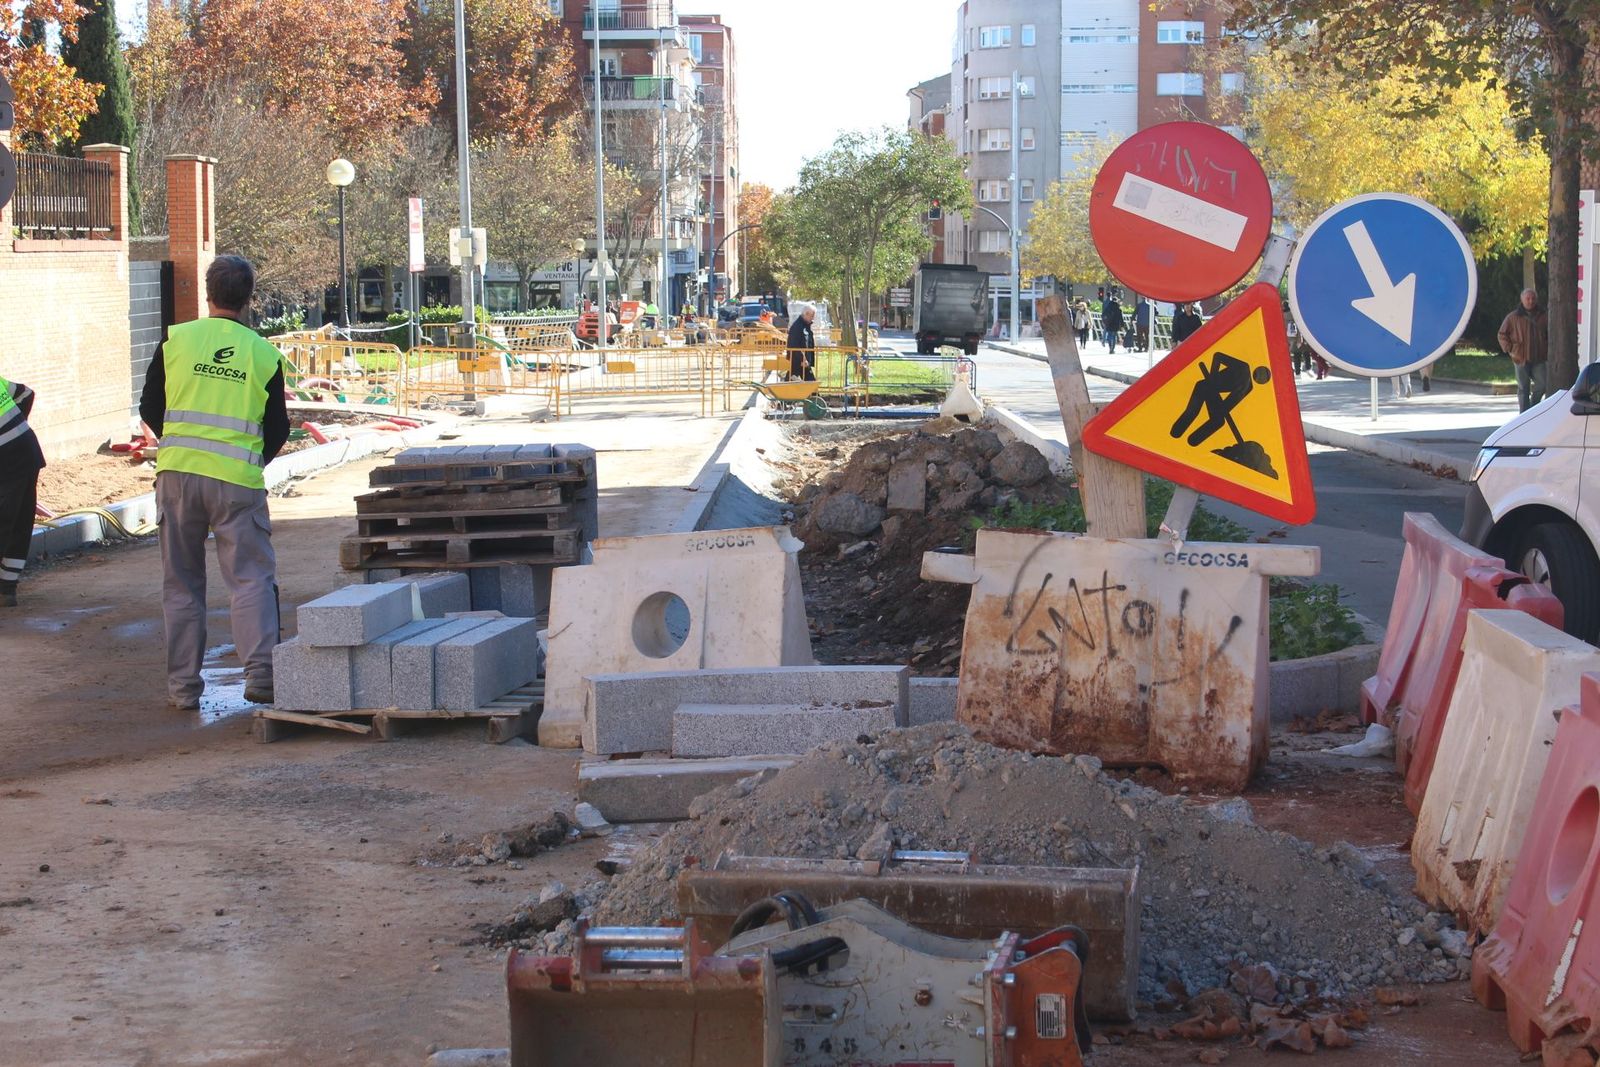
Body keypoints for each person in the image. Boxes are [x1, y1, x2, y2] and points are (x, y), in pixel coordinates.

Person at [139, 255, 289, 710]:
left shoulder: (176, 341)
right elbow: (278, 427)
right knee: (250, 579)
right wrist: (250, 459)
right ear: (249, 299)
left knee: (182, 584)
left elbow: (149, 406)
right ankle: (260, 673)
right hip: (236, 483)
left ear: (207, 294)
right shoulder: (263, 354)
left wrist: (179, 444)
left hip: (177, 477)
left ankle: (183, 689)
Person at [0, 374, 44, 608]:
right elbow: (26, 394)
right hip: (27, 450)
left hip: (9, 461)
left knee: (5, 522)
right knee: (18, 523)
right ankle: (6, 590)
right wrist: (15, 430)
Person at [1499, 287, 1549, 412]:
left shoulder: (1544, 316)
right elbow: (1502, 334)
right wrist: (1510, 348)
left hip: (1539, 358)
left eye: (1533, 298)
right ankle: (1524, 414)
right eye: (1528, 298)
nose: (1530, 301)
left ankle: (1533, 409)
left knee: (1543, 384)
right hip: (1520, 358)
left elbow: (1549, 334)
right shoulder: (1513, 317)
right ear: (1522, 300)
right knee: (1523, 388)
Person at [786, 304, 817, 380]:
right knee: (811, 384)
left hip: (803, 363)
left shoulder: (805, 326)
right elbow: (794, 345)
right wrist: (803, 359)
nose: (813, 318)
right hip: (799, 362)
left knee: (793, 382)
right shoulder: (797, 327)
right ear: (806, 314)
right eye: (812, 316)